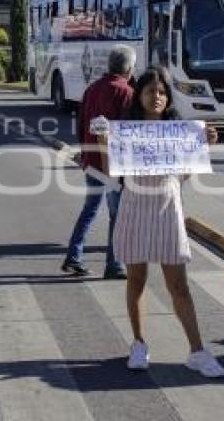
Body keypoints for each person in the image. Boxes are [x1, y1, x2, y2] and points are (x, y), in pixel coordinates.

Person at [104, 66, 224, 378]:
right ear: (139, 95)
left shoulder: (179, 130)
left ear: (168, 97)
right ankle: (139, 344)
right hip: (134, 208)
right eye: (149, 91)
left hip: (168, 210)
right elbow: (110, 174)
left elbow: (183, 175)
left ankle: (197, 351)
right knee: (136, 280)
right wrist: (104, 141)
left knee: (178, 286)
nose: (156, 97)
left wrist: (205, 144)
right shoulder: (126, 130)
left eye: (161, 92)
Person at [61, 45, 136, 279]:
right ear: (130, 68)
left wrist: (84, 153)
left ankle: (74, 255)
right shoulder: (126, 92)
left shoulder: (92, 89)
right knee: (117, 214)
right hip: (114, 164)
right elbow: (128, 131)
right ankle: (114, 264)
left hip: (92, 161)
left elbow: (82, 124)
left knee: (90, 209)